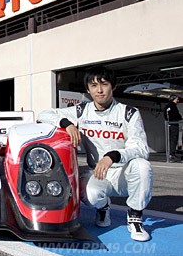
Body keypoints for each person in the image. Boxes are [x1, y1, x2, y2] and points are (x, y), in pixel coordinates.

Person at [37, 66, 153, 242]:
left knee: (142, 166)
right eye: (93, 85)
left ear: (112, 86)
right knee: (88, 193)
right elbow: (44, 114)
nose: (99, 90)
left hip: (123, 173)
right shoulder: (82, 111)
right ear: (88, 89)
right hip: (99, 173)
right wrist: (67, 123)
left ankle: (135, 216)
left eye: (104, 84)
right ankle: (103, 207)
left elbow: (141, 149)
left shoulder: (128, 113)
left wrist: (112, 156)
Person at [163, 94, 182, 162]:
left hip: (169, 124)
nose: (178, 101)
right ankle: (172, 154)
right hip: (173, 124)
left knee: (171, 140)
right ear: (173, 99)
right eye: (177, 99)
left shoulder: (167, 106)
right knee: (173, 139)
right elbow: (176, 114)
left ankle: (171, 154)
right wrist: (179, 118)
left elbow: (165, 115)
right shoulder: (173, 106)